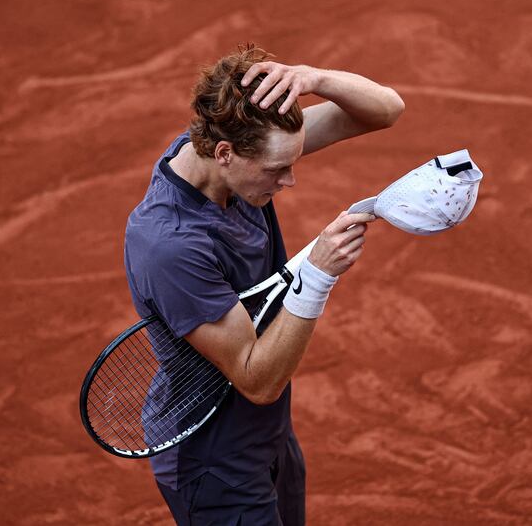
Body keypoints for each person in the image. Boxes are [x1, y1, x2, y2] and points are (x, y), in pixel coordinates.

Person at [123, 43, 404, 525]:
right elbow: (257, 380)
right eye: (278, 170)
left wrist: (316, 78)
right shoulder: (170, 246)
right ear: (226, 155)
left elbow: (386, 110)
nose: (290, 181)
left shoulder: (225, 153)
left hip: (267, 438)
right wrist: (316, 274)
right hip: (215, 463)